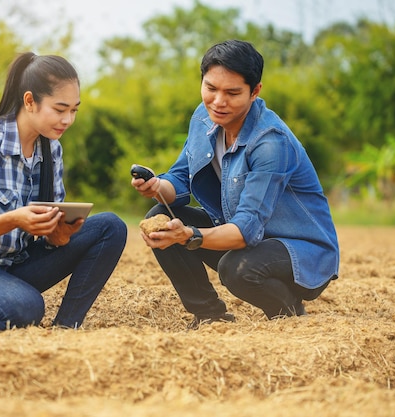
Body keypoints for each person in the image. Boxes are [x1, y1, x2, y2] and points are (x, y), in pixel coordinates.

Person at [131, 40, 339, 329]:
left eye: (232, 93)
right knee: (161, 217)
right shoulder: (204, 118)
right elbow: (179, 179)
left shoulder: (270, 142)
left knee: (237, 269)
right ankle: (209, 315)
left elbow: (246, 230)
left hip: (299, 253)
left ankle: (290, 315)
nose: (218, 101)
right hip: (244, 237)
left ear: (255, 92)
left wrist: (190, 234)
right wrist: (156, 186)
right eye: (210, 88)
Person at [0, 52, 127, 331]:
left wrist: (60, 235)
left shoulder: (52, 149)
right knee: (28, 307)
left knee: (111, 227)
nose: (68, 119)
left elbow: (47, 233)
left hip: (13, 266)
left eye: (74, 110)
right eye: (60, 109)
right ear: (30, 101)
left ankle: (67, 327)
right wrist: (15, 218)